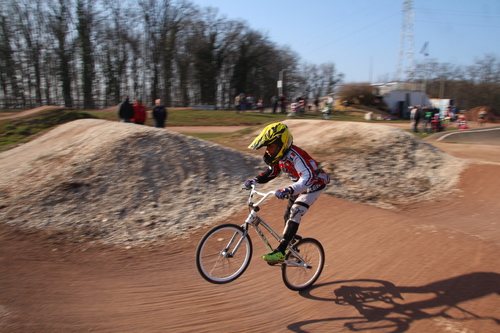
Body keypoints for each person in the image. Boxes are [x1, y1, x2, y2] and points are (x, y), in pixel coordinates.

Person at [244, 122, 330, 262]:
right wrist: (255, 180)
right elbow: (273, 172)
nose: (267, 150)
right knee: (287, 215)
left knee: (296, 210)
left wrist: (289, 189)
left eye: (270, 146)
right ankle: (290, 245)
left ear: (281, 143)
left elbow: (308, 178)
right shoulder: (280, 156)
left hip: (315, 184)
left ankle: (281, 251)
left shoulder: (296, 156)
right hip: (300, 186)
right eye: (267, 147)